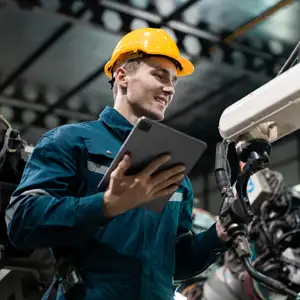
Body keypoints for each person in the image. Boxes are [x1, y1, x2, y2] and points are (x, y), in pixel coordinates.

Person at [5, 28, 229, 300]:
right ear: (122, 76)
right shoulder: (71, 141)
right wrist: (107, 205)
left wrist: (218, 234)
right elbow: (21, 220)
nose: (169, 88)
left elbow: (177, 261)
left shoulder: (173, 171)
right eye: (159, 75)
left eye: (173, 81)